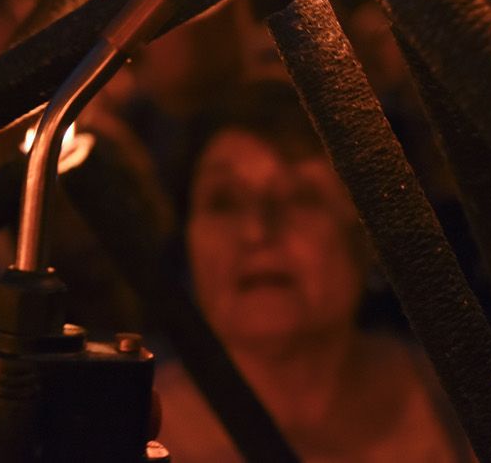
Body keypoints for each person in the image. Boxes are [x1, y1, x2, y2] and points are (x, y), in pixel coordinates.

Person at [155, 81, 472, 462]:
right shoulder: (132, 427)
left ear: (370, 238)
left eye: (301, 197)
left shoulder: (461, 405)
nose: (256, 231)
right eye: (224, 201)